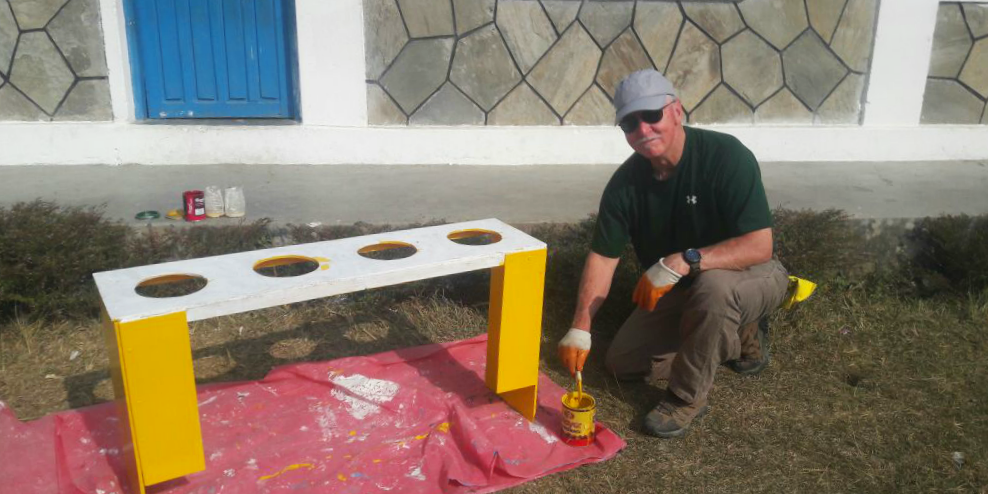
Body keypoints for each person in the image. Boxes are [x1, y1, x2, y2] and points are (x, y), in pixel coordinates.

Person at [557, 69, 789, 438]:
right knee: (622, 363)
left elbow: (759, 245)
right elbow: (603, 257)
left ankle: (685, 399)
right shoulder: (624, 185)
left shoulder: (725, 156)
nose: (643, 130)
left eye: (652, 116)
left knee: (714, 289)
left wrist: (685, 259)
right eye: (630, 124)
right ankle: (734, 335)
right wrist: (580, 328)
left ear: (677, 111)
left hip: (753, 272)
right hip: (683, 288)